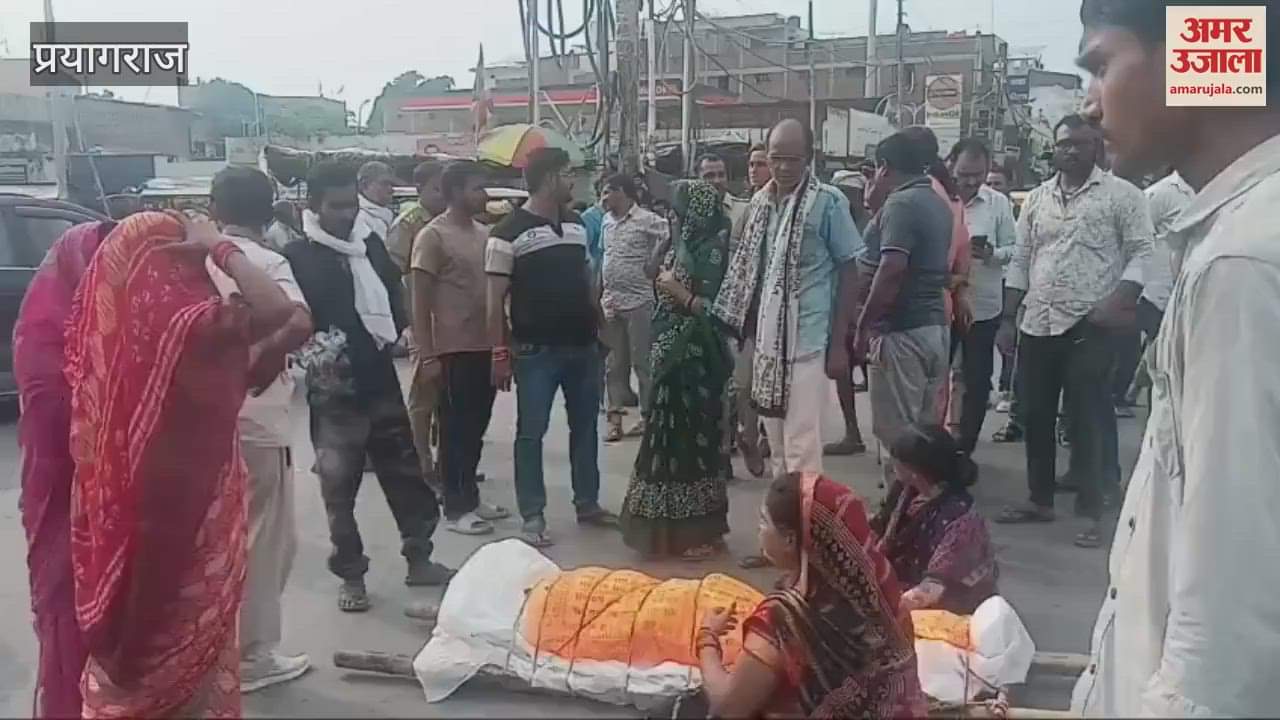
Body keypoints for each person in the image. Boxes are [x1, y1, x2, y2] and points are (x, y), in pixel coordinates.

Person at [1070, 1, 1280, 716]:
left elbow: (1234, 603)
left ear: (1198, 50)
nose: (1088, 104)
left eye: (1101, 65)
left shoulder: (1242, 261)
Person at [65, 211, 299, 718]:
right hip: (191, 523)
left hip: (128, 522)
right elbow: (280, 310)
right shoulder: (192, 324)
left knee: (137, 639)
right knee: (187, 654)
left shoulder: (118, 334)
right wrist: (219, 246)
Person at [284, 161, 452, 613]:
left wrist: (395, 331)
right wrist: (316, 353)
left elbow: (395, 300)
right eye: (335, 206)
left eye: (350, 205)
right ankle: (352, 576)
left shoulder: (370, 245)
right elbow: (291, 321)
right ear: (313, 206)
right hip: (332, 390)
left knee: (406, 476)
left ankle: (420, 558)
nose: (346, 215)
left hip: (380, 381)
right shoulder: (298, 257)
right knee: (340, 490)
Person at [994, 113, 1154, 549]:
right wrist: (1009, 318)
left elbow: (1143, 252)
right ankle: (1039, 499)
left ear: (1096, 147)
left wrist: (1118, 299)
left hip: (1092, 323)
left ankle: (1098, 508)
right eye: (1064, 143)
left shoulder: (1123, 196)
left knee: (1088, 416)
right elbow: (1022, 258)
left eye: (1080, 144)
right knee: (1036, 414)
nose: (1071, 150)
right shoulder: (1039, 199)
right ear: (1055, 148)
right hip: (1038, 321)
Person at [207, 167, 315, 692]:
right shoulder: (266, 262)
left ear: (214, 208)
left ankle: (214, 645)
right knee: (264, 539)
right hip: (255, 419)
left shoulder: (194, 260)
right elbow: (298, 321)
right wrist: (260, 360)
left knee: (216, 537)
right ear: (270, 208)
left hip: (200, 420)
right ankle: (250, 656)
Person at [696, 472, 927, 717]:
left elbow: (729, 708)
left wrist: (707, 639)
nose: (759, 530)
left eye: (764, 521)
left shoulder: (785, 619)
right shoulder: (885, 593)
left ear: (790, 539)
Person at [711, 119, 862, 482]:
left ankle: (806, 528)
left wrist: (841, 343)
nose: (783, 168)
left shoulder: (828, 203)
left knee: (802, 446)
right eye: (776, 158)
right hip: (765, 343)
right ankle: (782, 528)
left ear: (809, 158)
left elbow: (850, 270)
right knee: (777, 446)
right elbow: (751, 273)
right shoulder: (758, 205)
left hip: (809, 341)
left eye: (793, 160)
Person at [486, 147, 617, 548]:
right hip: (535, 351)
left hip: (582, 348)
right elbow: (494, 301)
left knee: (585, 429)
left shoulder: (578, 225)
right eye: (567, 174)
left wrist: (602, 330)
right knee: (531, 433)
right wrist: (499, 353)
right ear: (547, 180)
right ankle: (533, 515)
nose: (573, 181)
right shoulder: (505, 233)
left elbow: (586, 282)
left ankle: (588, 502)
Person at [16, 220, 113, 719]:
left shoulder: (120, 326)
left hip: (123, 518)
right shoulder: (48, 343)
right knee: (70, 613)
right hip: (68, 506)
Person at [620, 181, 732, 560]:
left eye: (679, 213)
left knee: (692, 446)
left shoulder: (713, 252)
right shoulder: (680, 245)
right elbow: (653, 274)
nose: (673, 218)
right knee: (669, 443)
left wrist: (679, 293)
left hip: (695, 362)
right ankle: (668, 531)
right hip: (671, 360)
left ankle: (697, 531)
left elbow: (719, 311)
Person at [411, 160, 510, 536]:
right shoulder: (432, 237)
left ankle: (470, 495)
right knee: (454, 429)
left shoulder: (485, 234)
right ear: (454, 193)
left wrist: (501, 346)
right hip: (451, 347)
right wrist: (427, 353)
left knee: (476, 427)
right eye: (477, 189)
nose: (484, 196)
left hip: (483, 344)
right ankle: (455, 508)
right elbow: (418, 299)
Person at [853, 130, 955, 487]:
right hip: (934, 329)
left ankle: (897, 515)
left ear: (884, 167)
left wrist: (863, 325)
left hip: (901, 333)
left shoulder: (900, 204)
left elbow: (892, 269)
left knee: (899, 436)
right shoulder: (937, 202)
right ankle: (921, 511)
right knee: (924, 433)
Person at [871, 424, 998, 615]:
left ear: (914, 471)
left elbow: (933, 588)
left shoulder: (961, 522)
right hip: (908, 583)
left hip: (949, 602)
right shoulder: (905, 490)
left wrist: (885, 608)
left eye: (896, 460)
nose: (890, 463)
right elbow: (877, 530)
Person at [947, 138, 1018, 454]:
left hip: (983, 307)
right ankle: (935, 443)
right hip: (945, 304)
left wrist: (992, 253)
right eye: (965, 174)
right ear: (952, 166)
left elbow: (1015, 250)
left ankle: (966, 448)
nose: (971, 181)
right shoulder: (941, 199)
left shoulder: (998, 204)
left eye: (978, 174)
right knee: (936, 377)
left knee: (977, 380)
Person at [389, 161, 448, 482]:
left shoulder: (453, 222)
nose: (444, 195)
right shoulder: (409, 224)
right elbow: (395, 277)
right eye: (437, 188)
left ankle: (448, 462)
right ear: (420, 190)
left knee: (447, 399)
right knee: (423, 398)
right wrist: (409, 325)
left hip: (452, 321)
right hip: (422, 319)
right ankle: (422, 465)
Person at [599, 173, 667, 442]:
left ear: (623, 193)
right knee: (614, 365)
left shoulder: (647, 220)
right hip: (611, 303)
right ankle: (614, 419)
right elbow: (605, 256)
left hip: (640, 302)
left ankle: (648, 418)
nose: (604, 197)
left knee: (643, 364)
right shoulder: (606, 222)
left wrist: (656, 261)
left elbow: (669, 234)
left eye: (608, 191)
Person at [824, 169, 871, 458]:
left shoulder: (870, 222)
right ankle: (852, 432)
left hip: (867, 309)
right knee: (842, 375)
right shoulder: (833, 219)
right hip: (840, 308)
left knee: (870, 373)